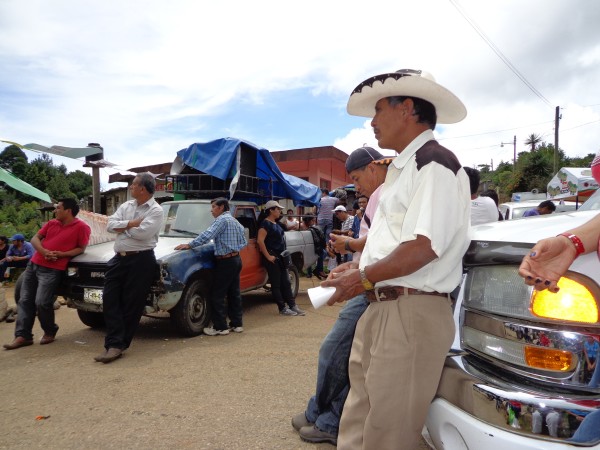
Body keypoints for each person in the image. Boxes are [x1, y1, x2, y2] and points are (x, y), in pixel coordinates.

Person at [322, 69, 470, 449]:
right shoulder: (406, 168)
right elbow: (399, 243)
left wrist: (363, 277)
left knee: (389, 430)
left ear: (407, 109)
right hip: (386, 305)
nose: (372, 121)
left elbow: (424, 246)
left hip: (410, 310)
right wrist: (358, 269)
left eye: (378, 109)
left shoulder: (434, 163)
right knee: (361, 417)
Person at [291, 146, 391, 445]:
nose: (356, 186)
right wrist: (353, 255)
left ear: (373, 168)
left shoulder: (385, 193)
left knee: (339, 353)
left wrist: (355, 261)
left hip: (374, 285)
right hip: (370, 279)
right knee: (348, 356)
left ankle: (328, 418)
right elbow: (376, 243)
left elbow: (388, 247)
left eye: (358, 177)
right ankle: (324, 415)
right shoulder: (380, 196)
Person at [94, 172, 163, 364]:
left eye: (133, 185)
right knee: (109, 298)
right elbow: (109, 225)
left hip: (141, 260)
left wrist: (122, 227)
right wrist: (131, 224)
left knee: (132, 304)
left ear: (142, 188)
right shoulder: (126, 206)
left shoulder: (156, 210)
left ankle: (116, 345)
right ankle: (115, 341)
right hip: (119, 259)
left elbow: (143, 234)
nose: (131, 187)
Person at [4, 199, 91, 350]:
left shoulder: (82, 227)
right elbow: (35, 238)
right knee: (25, 300)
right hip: (34, 265)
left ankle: (50, 331)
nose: (55, 211)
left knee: (42, 302)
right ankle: (23, 336)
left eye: (58, 208)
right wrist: (44, 252)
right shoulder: (52, 223)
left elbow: (81, 249)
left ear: (68, 211)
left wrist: (63, 254)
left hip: (53, 269)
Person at [174, 197, 247, 335]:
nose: (211, 210)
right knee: (234, 293)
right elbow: (244, 241)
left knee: (217, 294)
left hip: (225, 261)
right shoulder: (235, 221)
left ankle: (220, 327)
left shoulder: (221, 220)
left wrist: (189, 245)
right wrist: (233, 248)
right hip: (236, 259)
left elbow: (207, 235)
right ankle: (237, 324)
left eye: (213, 207)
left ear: (221, 207)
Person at [257, 200, 305, 316]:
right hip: (272, 258)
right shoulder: (265, 224)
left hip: (281, 257)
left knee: (286, 282)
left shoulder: (276, 224)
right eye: (277, 209)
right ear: (271, 210)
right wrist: (268, 256)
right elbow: (260, 241)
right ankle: (282, 308)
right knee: (276, 284)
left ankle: (292, 306)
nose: (279, 211)